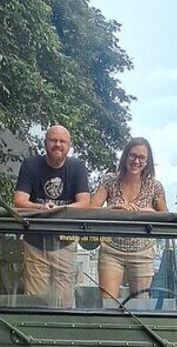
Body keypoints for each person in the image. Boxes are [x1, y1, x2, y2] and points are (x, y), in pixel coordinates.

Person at [13, 125, 90, 307]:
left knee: (64, 302)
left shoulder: (77, 167)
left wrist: (58, 210)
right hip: (35, 242)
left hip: (65, 242)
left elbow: (85, 202)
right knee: (36, 301)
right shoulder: (31, 164)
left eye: (62, 141)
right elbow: (19, 200)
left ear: (69, 146)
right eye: (53, 140)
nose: (58, 145)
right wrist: (41, 207)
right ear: (45, 142)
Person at [90, 137, 167, 299]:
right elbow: (91, 210)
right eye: (133, 155)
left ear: (147, 161)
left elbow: (166, 218)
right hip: (111, 250)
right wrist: (114, 209)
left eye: (142, 157)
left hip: (143, 252)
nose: (136, 161)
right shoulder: (109, 181)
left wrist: (149, 212)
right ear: (125, 156)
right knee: (107, 302)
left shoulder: (155, 186)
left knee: (141, 304)